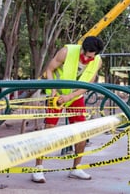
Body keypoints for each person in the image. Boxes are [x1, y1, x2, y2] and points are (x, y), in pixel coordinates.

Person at [31, 36, 104, 183]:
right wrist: (54, 90)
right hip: (56, 95)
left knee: (82, 132)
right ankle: (38, 169)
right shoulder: (66, 51)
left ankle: (76, 168)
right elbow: (49, 70)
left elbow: (87, 84)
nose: (88, 59)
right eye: (86, 56)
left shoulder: (97, 60)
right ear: (82, 49)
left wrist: (70, 96)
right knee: (49, 129)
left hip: (75, 97)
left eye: (92, 57)